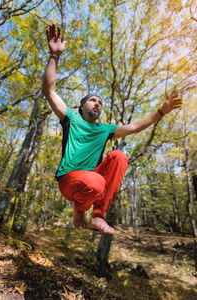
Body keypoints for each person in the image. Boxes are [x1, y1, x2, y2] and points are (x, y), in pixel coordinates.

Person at [42, 24, 182, 235]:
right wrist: (54, 56)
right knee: (96, 182)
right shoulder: (70, 117)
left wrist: (161, 112)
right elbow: (49, 90)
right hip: (70, 180)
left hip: (93, 181)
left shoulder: (104, 129)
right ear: (82, 106)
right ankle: (79, 211)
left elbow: (135, 127)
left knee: (119, 156)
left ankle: (98, 216)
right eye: (92, 100)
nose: (97, 103)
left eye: (100, 101)